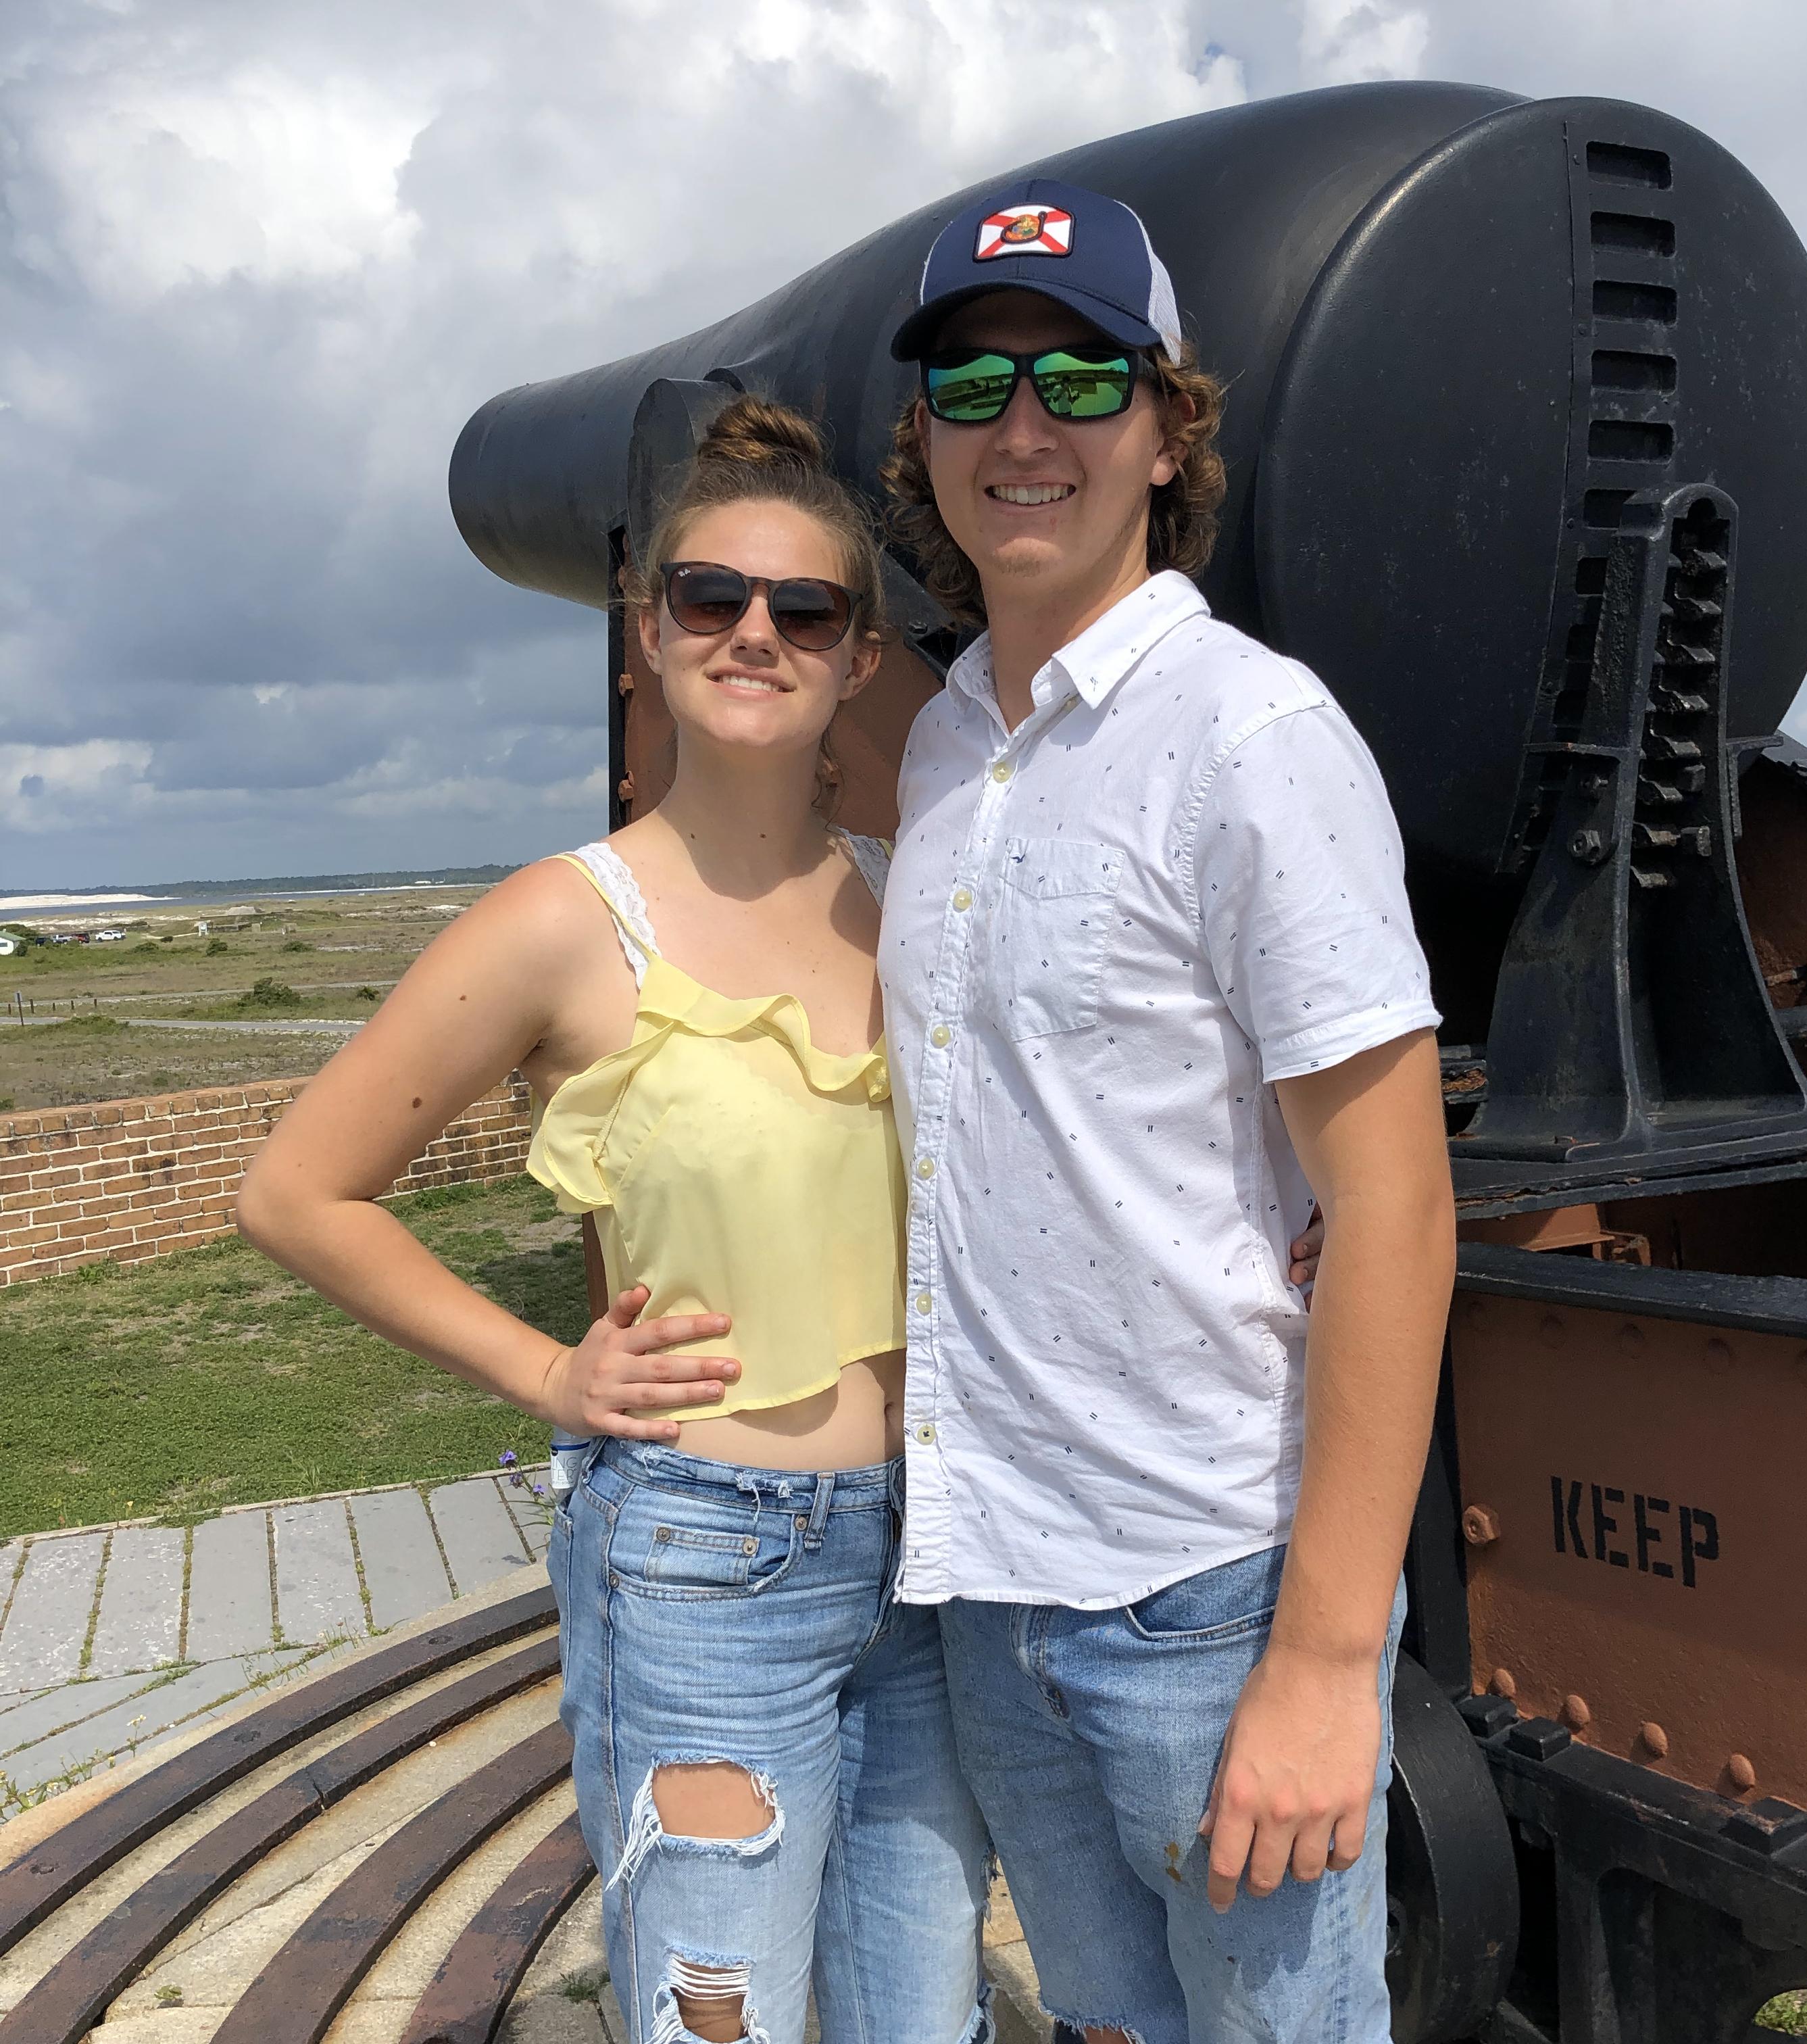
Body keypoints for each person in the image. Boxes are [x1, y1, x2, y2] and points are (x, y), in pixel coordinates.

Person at [236, 399, 993, 2044]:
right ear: (647, 631)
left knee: (920, 2016)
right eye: (710, 597)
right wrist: (545, 1375)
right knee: (714, 2013)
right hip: (707, 1559)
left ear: (860, 658)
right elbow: (297, 1191)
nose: (753, 635)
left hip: (935, 1554)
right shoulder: (566, 924)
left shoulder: (908, 892)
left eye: (804, 610)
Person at [875, 180, 1458, 2043]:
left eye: (1077, 377)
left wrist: (1324, 1659)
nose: (1023, 429)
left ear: (1165, 424)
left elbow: (1394, 1205)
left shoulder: (1248, 738)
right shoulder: (946, 739)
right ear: (926, 441)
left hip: (1199, 1605)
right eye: (973, 388)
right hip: (993, 1590)